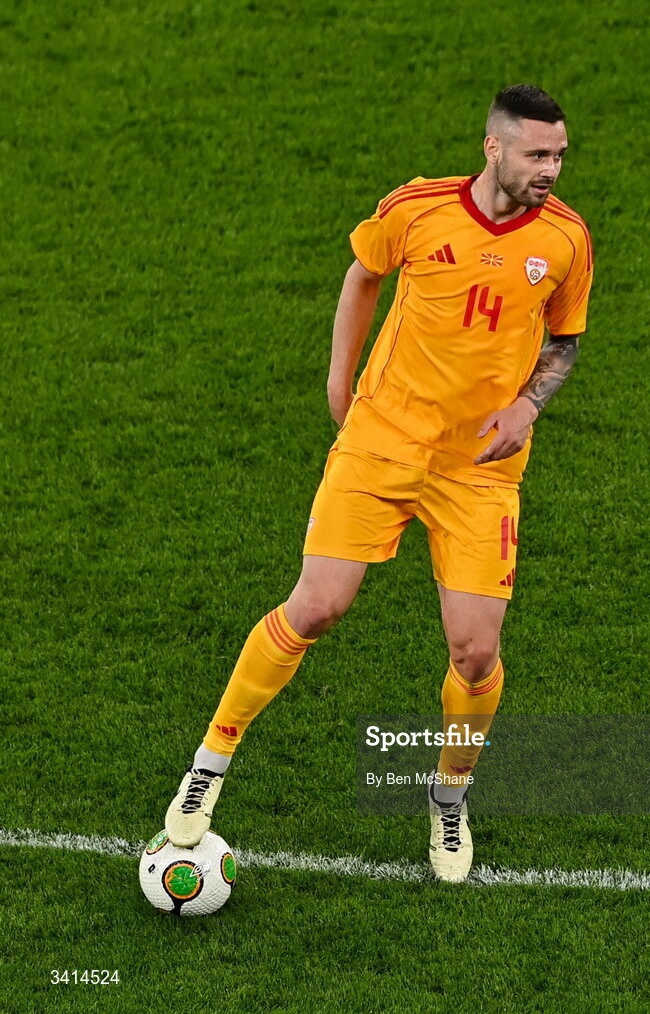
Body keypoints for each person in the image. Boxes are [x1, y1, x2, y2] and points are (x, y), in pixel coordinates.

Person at [164, 84, 593, 882]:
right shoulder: (418, 209)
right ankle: (209, 764)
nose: (551, 169)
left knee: (475, 654)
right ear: (492, 149)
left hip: (477, 471)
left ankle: (447, 800)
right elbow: (362, 276)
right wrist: (341, 379)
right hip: (383, 442)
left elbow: (565, 340)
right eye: (538, 154)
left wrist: (526, 406)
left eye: (559, 155)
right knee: (315, 606)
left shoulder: (566, 240)